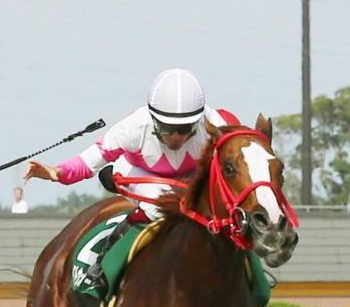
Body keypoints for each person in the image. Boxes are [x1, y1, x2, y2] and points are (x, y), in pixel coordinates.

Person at [24, 68, 238, 289]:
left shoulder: (214, 125)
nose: (176, 137)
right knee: (159, 206)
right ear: (154, 119)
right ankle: (103, 263)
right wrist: (56, 173)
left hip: (190, 178)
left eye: (184, 129)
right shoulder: (134, 127)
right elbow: (90, 160)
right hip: (140, 174)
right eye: (167, 127)